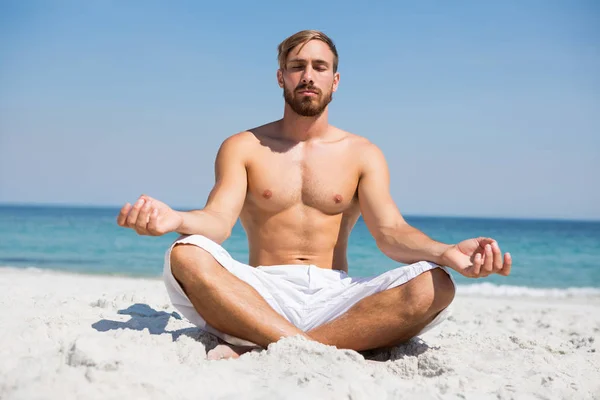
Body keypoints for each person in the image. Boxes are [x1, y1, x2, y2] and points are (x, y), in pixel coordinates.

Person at [117, 30, 512, 360]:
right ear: (280, 77)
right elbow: (217, 222)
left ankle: (267, 344)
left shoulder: (362, 153)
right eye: (297, 67)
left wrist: (444, 252)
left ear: (335, 80)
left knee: (437, 284)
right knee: (186, 253)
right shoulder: (243, 146)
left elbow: (390, 232)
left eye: (319, 67)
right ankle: (313, 344)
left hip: (335, 295)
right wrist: (176, 219)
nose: (308, 76)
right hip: (259, 290)